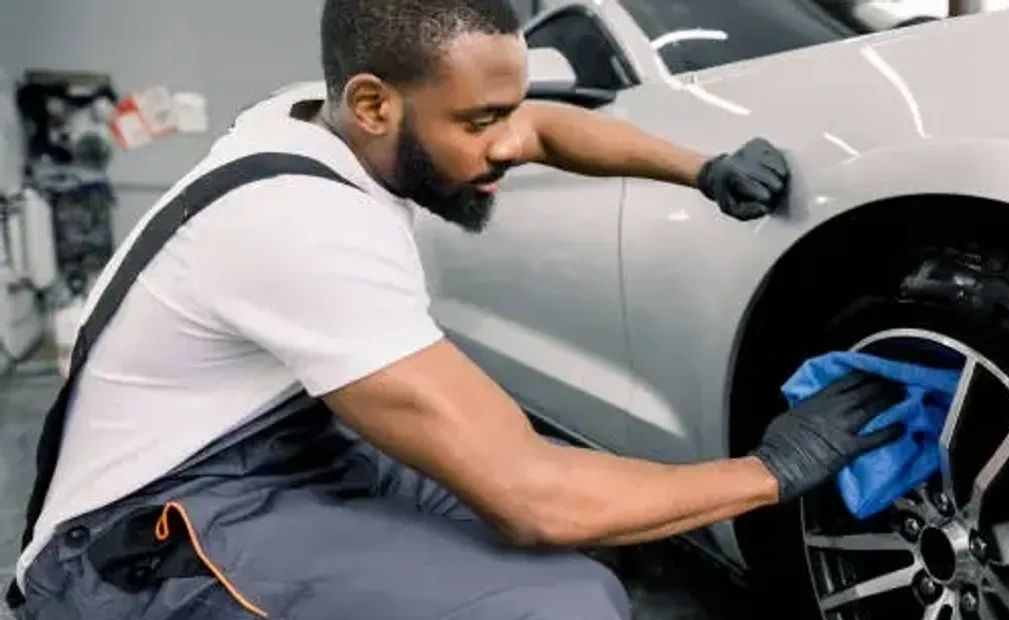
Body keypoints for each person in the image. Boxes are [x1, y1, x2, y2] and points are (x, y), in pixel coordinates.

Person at [8, 1, 905, 618]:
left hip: (283, 441)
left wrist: (700, 170)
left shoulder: (318, 112)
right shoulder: (300, 224)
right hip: (133, 539)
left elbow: (547, 125)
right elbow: (532, 501)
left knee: (571, 516)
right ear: (371, 105)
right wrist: (775, 469)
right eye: (479, 123)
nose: (508, 144)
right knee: (563, 601)